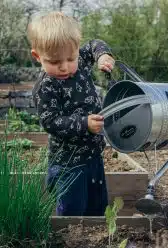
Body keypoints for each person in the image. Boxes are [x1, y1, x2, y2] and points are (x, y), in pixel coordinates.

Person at [27, 11, 115, 216]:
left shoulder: (81, 61)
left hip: (93, 156)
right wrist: (84, 124)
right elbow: (50, 121)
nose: (65, 67)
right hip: (68, 164)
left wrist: (102, 56)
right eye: (54, 62)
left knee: (97, 207)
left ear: (76, 50)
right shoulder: (46, 87)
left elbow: (95, 44)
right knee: (72, 211)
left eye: (70, 58)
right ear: (37, 56)